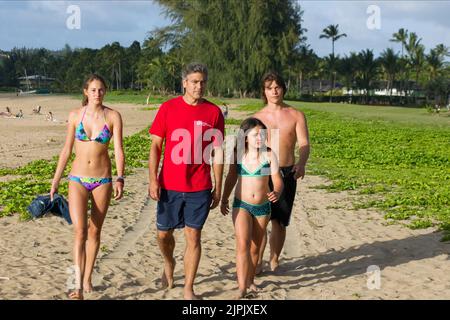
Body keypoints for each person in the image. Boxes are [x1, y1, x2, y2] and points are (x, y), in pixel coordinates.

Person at [148, 62, 224, 300]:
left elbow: (218, 153)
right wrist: (153, 180)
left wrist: (218, 186)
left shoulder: (213, 113)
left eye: (202, 82)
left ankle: (188, 288)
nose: (198, 86)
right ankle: (169, 262)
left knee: (194, 236)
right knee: (163, 235)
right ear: (184, 83)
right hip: (169, 185)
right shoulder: (168, 108)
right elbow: (156, 147)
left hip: (199, 186)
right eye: (194, 82)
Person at [50, 74, 125, 300]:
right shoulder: (75, 115)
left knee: (95, 231)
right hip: (77, 179)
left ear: (105, 92)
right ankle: (77, 285)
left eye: (101, 90)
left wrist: (120, 177)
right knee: (80, 231)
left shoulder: (113, 116)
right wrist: (55, 180)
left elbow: (119, 149)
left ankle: (87, 277)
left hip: (103, 180)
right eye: (93, 90)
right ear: (86, 92)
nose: (97, 94)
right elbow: (66, 150)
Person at [253, 71, 310, 273]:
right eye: (269, 88)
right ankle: (257, 261)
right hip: (262, 173)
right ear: (264, 91)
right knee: (260, 220)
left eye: (277, 87)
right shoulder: (256, 118)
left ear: (283, 88)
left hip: (287, 173)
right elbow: (246, 149)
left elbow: (303, 143)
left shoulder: (296, 115)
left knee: (279, 221)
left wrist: (301, 163)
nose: (274, 91)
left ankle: (274, 259)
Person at [220, 117, 283, 299]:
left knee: (255, 249)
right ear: (245, 137)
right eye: (255, 134)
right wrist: (224, 198)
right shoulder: (239, 154)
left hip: (263, 208)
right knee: (242, 244)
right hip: (242, 205)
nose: (259, 138)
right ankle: (242, 287)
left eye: (262, 134)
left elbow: (277, 180)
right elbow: (231, 178)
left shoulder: (269, 155)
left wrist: (277, 191)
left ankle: (250, 280)